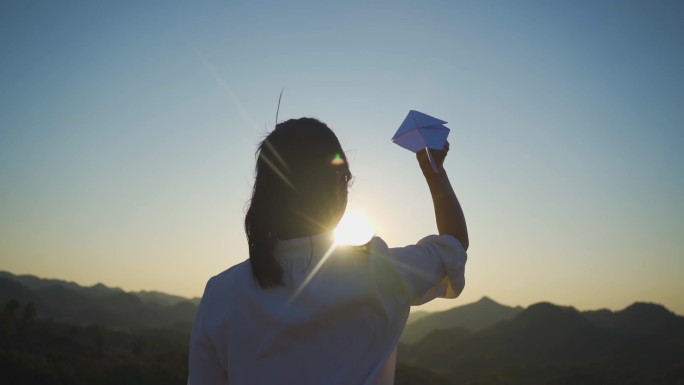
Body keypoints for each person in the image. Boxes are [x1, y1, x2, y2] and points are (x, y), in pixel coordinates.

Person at [188, 117, 468, 385]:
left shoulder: (221, 294)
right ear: (337, 188)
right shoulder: (381, 273)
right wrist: (435, 171)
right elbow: (454, 247)